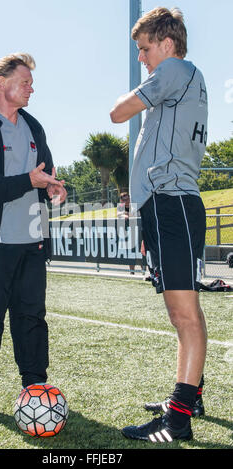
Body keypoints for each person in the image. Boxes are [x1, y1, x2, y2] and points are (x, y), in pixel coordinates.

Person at [110, 7, 207, 443]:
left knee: (184, 315)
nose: (141, 58)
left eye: (145, 49)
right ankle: (191, 392)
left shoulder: (174, 69)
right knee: (179, 313)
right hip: (163, 205)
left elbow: (117, 112)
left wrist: (151, 75)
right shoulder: (178, 78)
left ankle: (179, 418)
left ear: (167, 45)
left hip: (173, 205)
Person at [0, 52, 67, 417]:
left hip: (33, 243)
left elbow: (45, 172)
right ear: (1, 83)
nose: (31, 88)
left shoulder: (34, 127)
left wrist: (52, 188)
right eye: (25, 82)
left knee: (32, 318)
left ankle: (36, 386)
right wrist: (29, 182)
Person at [117, 192, 135, 274]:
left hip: (137, 231)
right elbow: (119, 214)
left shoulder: (134, 205)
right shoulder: (121, 207)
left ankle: (145, 271)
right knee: (130, 252)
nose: (127, 201)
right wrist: (125, 215)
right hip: (128, 233)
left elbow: (136, 214)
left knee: (141, 252)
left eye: (128, 199)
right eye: (124, 199)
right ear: (121, 201)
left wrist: (128, 214)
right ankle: (132, 271)